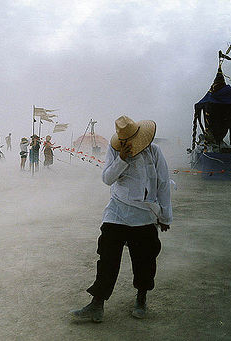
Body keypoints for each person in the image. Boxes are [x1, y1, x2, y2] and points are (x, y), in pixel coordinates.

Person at [71, 115, 172, 323]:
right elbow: (107, 179)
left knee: (145, 260)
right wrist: (122, 160)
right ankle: (97, 304)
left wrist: (165, 216)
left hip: (144, 215)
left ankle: (141, 299)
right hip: (116, 213)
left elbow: (163, 184)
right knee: (107, 258)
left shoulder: (154, 152)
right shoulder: (115, 150)